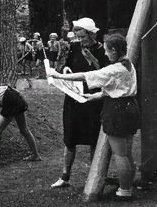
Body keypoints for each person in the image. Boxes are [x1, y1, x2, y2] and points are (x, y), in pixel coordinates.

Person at [48, 34, 139, 199]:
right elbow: (117, 86)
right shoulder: (128, 64)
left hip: (117, 111)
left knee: (120, 153)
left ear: (113, 50)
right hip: (130, 107)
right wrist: (94, 96)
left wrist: (58, 76)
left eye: (106, 50)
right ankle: (127, 187)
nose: (105, 54)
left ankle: (125, 190)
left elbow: (85, 76)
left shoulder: (114, 68)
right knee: (127, 152)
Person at [50, 17, 109, 188]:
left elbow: (105, 74)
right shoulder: (75, 47)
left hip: (92, 100)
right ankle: (65, 176)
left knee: (93, 139)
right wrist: (64, 70)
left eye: (83, 37)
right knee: (70, 139)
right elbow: (66, 67)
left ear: (92, 35)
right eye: (78, 37)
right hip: (73, 99)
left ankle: (94, 178)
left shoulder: (101, 51)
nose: (80, 41)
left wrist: (93, 62)